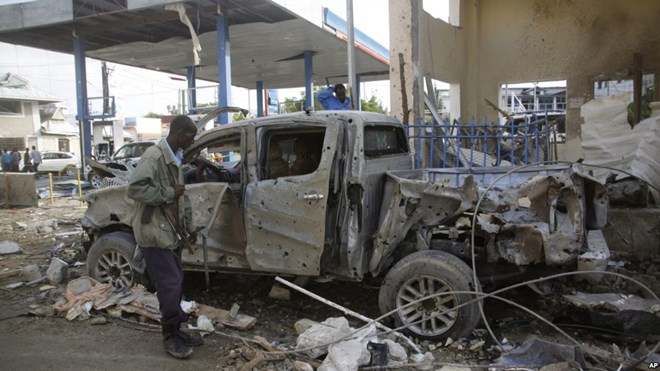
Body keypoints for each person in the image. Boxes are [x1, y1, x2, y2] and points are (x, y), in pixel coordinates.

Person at [127, 115, 203, 359]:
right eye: (191, 136)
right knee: (169, 284)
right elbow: (135, 189)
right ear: (179, 133)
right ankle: (170, 336)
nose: (193, 140)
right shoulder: (154, 157)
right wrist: (168, 192)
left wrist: (189, 227)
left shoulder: (175, 157)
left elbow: (182, 198)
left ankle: (177, 329)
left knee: (176, 281)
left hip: (169, 231)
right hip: (154, 232)